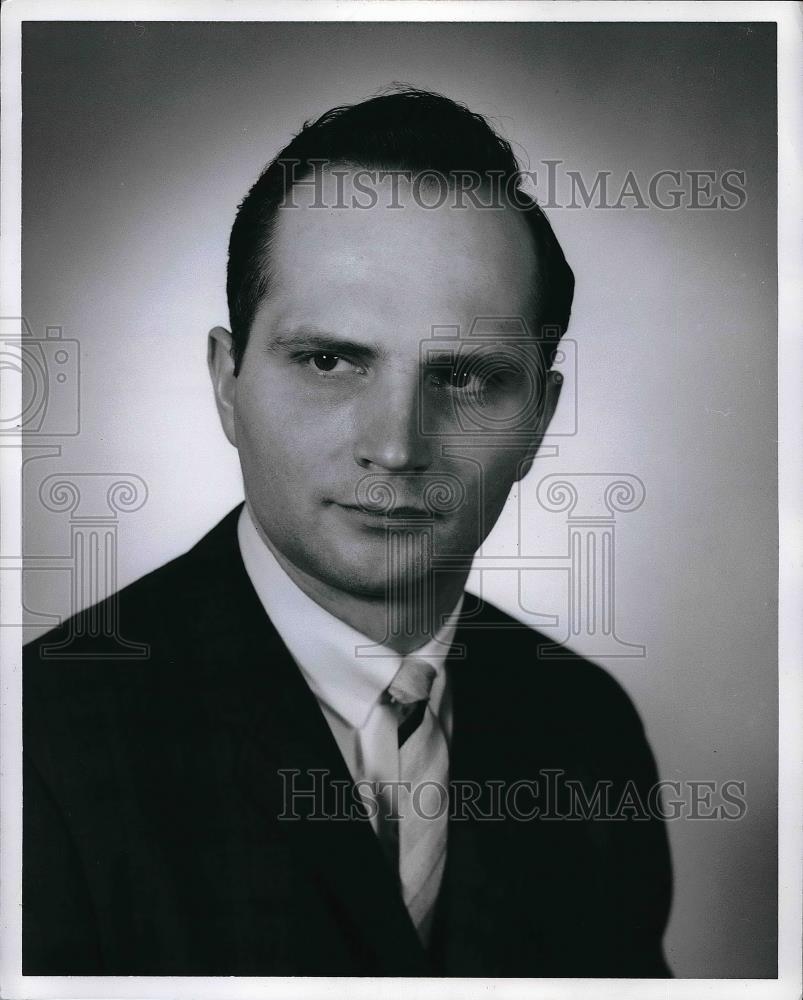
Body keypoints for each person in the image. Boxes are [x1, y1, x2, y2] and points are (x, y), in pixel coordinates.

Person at [23, 87, 672, 976]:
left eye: (468, 378)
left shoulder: (586, 733)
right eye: (330, 361)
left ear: (538, 418)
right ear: (226, 380)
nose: (396, 446)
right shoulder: (38, 748)